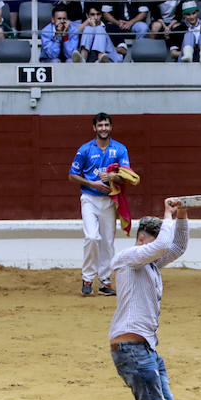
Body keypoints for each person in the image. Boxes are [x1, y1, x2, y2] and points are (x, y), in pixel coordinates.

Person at [97, 198, 190, 400]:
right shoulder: (128, 257)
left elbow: (176, 247)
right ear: (141, 240)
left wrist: (183, 216)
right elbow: (163, 246)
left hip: (146, 347)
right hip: (130, 347)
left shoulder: (149, 264)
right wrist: (167, 214)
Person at [70, 113, 131, 296]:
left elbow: (127, 175)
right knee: (92, 237)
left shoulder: (120, 149)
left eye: (106, 125)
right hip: (89, 198)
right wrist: (92, 183)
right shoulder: (85, 150)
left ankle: (105, 281)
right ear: (94, 128)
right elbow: (72, 175)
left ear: (111, 127)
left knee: (108, 242)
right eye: (100, 125)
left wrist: (113, 177)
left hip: (110, 200)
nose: (103, 128)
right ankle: (88, 277)